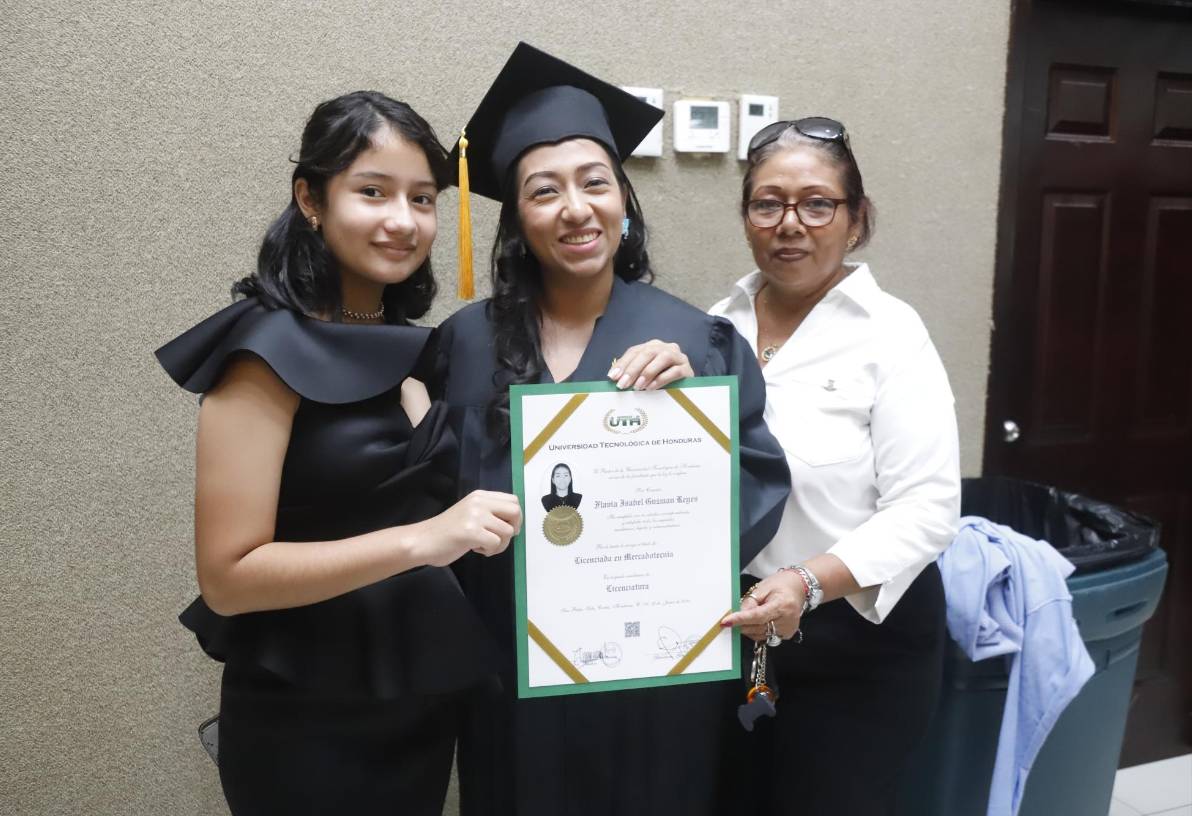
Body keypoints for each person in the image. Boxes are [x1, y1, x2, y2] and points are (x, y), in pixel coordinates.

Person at [429, 43, 792, 816]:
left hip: (653, 677)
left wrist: (695, 422)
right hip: (513, 674)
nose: (575, 208)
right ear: (515, 219)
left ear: (624, 200)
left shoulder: (696, 342)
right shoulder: (464, 344)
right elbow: (428, 501)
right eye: (543, 191)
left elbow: (753, 489)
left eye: (595, 183)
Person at [154, 91, 522, 815]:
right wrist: (423, 540)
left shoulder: (418, 348)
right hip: (308, 720)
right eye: (373, 192)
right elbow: (229, 577)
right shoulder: (265, 351)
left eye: (422, 199)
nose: (403, 220)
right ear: (311, 199)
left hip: (413, 709)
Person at [712, 117, 961, 814]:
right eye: (768, 203)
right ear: (747, 217)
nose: (790, 222)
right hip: (736, 632)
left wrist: (804, 582)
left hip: (860, 644)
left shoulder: (890, 333)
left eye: (817, 203)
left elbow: (928, 509)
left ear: (855, 221)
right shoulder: (712, 328)